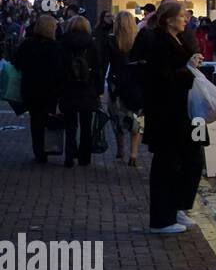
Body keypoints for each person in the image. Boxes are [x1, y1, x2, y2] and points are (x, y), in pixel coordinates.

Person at [143, 0, 207, 234]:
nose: (186, 19)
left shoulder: (180, 39)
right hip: (168, 114)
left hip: (186, 111)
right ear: (169, 19)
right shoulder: (159, 41)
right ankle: (162, 219)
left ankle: (178, 206)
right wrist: (187, 67)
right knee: (167, 163)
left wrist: (192, 64)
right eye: (181, 16)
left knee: (193, 158)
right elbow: (161, 77)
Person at [12, 14, 65, 163]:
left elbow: (16, 62)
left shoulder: (28, 44)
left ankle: (38, 151)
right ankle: (49, 147)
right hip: (50, 90)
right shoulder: (56, 47)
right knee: (47, 117)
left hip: (31, 88)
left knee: (35, 120)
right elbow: (60, 70)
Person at [58, 15, 102, 167]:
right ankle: (85, 157)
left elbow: (60, 67)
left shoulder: (63, 42)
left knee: (70, 125)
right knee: (86, 125)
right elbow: (97, 69)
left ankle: (69, 156)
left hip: (68, 88)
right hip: (87, 88)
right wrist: (99, 90)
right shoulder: (91, 43)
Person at [105, 10, 145, 167]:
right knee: (137, 118)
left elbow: (105, 62)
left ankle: (120, 149)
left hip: (116, 83)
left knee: (117, 117)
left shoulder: (111, 41)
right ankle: (133, 153)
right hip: (135, 83)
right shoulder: (138, 40)